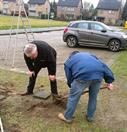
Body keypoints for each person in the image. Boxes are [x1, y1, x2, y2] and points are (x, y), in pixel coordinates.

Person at [58, 51, 115, 123]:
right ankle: (90, 117)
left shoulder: (69, 61)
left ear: (70, 56)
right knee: (93, 97)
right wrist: (109, 81)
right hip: (98, 76)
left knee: (73, 98)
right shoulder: (91, 55)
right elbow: (103, 66)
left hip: (83, 76)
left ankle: (67, 117)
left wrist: (72, 87)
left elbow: (69, 77)